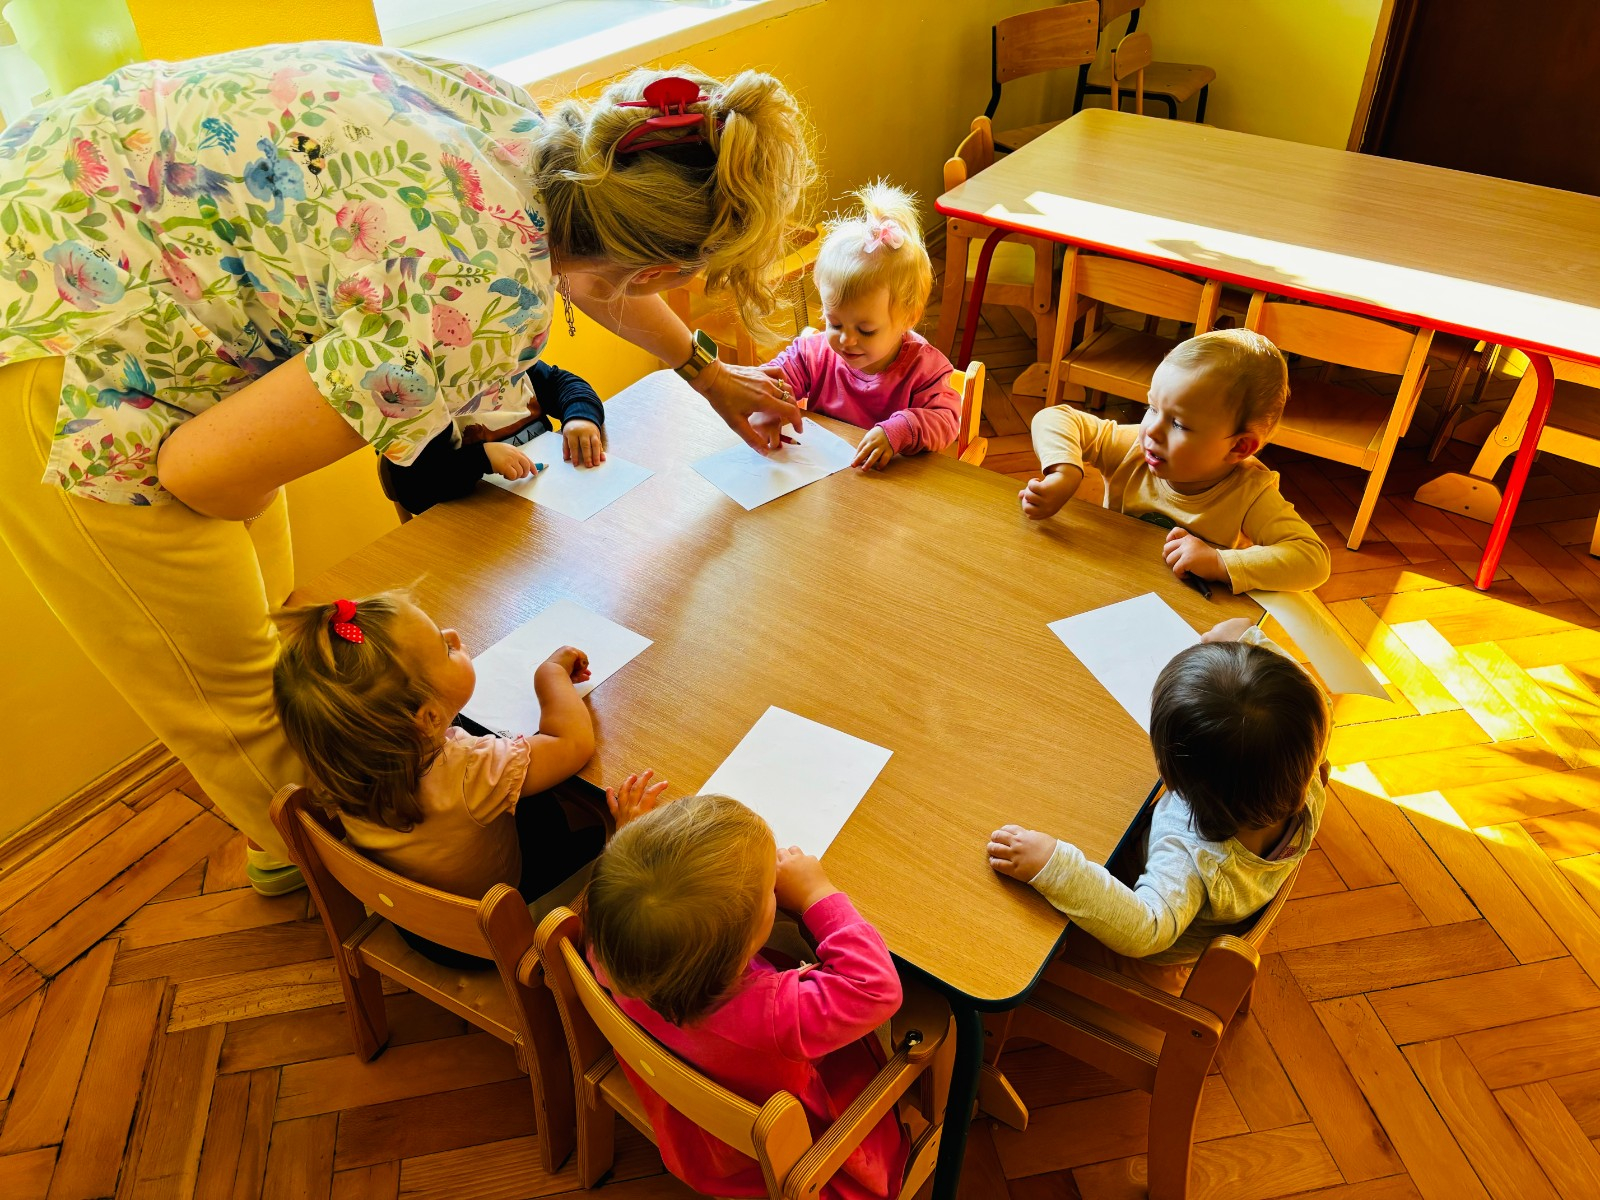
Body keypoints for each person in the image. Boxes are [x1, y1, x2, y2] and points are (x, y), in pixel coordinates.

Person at [0, 44, 815, 892]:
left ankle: (339, 840)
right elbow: (197, 477)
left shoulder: (521, 125)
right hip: (68, 345)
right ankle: (366, 887)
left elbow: (592, 267)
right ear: (657, 270)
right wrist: (235, 513)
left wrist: (707, 372)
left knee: (278, 645)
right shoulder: (474, 301)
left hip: (84, 200)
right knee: (243, 693)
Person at [584, 794, 910, 1200]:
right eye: (769, 891)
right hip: (799, 1155)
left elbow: (625, 905)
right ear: (739, 952)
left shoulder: (613, 948)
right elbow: (876, 988)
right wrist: (816, 893)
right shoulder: (775, 1016)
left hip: (702, 1136)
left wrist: (635, 848)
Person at [271, 590, 617, 966]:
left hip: (414, 923)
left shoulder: (337, 763)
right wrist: (550, 675)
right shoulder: (471, 768)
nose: (453, 633)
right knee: (601, 827)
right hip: (493, 937)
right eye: (444, 647)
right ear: (429, 719)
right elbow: (573, 743)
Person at [986, 617, 1328, 989]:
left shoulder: (1193, 857)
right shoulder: (1302, 769)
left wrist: (1053, 865)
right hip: (1189, 903)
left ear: (1177, 777)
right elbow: (1316, 700)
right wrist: (1247, 642)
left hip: (1141, 939)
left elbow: (1146, 929)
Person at [1020, 329, 1331, 594]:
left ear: (1239, 446)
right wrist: (1064, 472)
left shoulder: (1251, 496)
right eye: (1152, 408)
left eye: (1179, 424)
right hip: (1112, 582)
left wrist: (1220, 563)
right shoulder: (1133, 448)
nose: (1152, 430)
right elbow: (1055, 417)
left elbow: (1313, 560)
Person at [758, 183, 959, 470]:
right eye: (834, 323)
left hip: (891, 484)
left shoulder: (924, 370)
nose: (846, 340)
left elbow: (946, 420)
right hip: (826, 477)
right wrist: (768, 401)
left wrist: (901, 429)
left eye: (866, 330)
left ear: (908, 318)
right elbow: (775, 377)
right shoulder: (813, 355)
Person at [381, 359, 606, 516]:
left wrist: (580, 417)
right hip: (481, 530)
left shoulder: (512, 362)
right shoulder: (423, 408)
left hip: (549, 508)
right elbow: (415, 491)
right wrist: (481, 459)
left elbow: (563, 383)